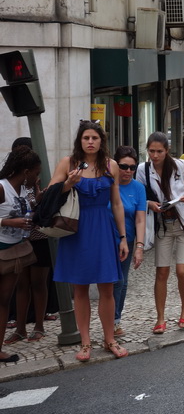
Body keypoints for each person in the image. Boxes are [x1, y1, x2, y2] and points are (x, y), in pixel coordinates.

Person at [50, 121, 129, 360]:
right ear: (80, 141)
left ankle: (109, 339)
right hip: (76, 228)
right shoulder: (68, 163)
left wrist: (123, 237)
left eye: (95, 138)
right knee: (80, 287)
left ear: (101, 141)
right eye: (86, 138)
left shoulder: (111, 165)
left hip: (103, 230)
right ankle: (85, 342)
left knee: (107, 287)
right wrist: (68, 184)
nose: (90, 142)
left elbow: (116, 203)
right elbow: (49, 194)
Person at [136, 132, 184, 335]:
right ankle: (160, 318)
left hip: (183, 223)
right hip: (162, 225)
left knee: (182, 271)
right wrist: (149, 204)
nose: (155, 155)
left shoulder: (180, 165)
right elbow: (138, 197)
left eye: (159, 151)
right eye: (151, 151)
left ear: (167, 151)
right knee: (161, 272)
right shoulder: (142, 170)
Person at [6, 138, 51, 345]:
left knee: (38, 282)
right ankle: (21, 328)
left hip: (38, 237)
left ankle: (39, 326)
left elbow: (35, 207)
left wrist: (39, 198)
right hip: (19, 240)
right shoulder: (12, 182)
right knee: (21, 284)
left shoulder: (33, 181)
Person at [0, 145, 41, 363]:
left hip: (14, 251)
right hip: (1, 248)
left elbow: (28, 209)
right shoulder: (2, 187)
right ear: (26, 171)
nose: (37, 176)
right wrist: (9, 222)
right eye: (35, 172)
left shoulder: (23, 190)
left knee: (4, 300)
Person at [109, 146, 145, 337]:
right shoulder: (107, 184)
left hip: (128, 241)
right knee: (113, 281)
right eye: (124, 166)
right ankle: (110, 321)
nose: (128, 171)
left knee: (121, 282)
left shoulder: (138, 188)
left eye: (132, 167)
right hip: (105, 240)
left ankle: (115, 320)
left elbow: (140, 218)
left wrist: (139, 246)